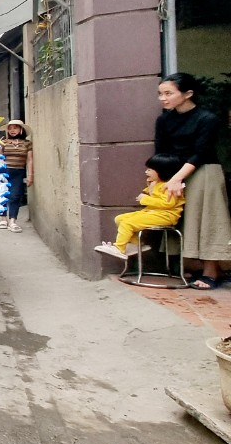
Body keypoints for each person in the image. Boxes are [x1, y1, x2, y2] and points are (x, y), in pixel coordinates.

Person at [154, 72, 231, 289]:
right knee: (180, 217)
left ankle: (211, 271)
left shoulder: (207, 119)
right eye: (160, 94)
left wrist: (177, 178)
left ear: (188, 94)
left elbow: (201, 152)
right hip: (174, 174)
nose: (163, 98)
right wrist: (162, 179)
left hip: (204, 171)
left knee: (207, 219)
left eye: (168, 93)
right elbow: (161, 151)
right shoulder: (164, 120)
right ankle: (193, 265)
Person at [93, 153, 185, 260]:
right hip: (153, 213)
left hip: (166, 216)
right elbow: (156, 196)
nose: (146, 172)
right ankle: (137, 244)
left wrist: (145, 199)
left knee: (127, 223)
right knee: (119, 219)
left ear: (162, 171)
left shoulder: (170, 186)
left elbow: (168, 204)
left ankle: (119, 248)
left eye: (150, 170)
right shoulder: (157, 183)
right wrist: (150, 188)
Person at [0, 120, 33, 232]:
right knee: (3, 195)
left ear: (21, 130)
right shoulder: (4, 142)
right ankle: (3, 219)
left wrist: (30, 175)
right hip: (4, 171)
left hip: (19, 172)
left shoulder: (27, 143)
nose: (13, 130)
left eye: (15, 128)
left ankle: (12, 221)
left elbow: (29, 160)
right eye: (10, 128)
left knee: (15, 196)